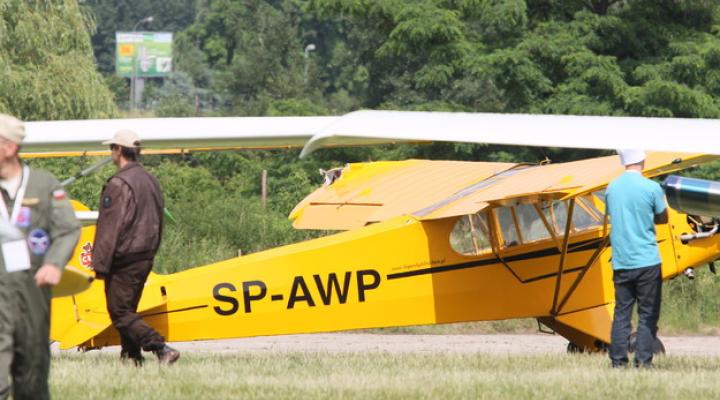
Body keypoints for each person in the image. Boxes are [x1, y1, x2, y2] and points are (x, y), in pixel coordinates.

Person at [0, 114, 81, 399]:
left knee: (32, 378)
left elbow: (68, 229)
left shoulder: (44, 186)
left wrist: (54, 263)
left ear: (9, 147)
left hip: (32, 293)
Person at [91, 129, 179, 366]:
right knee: (127, 309)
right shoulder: (150, 180)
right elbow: (159, 219)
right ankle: (131, 357)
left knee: (119, 311)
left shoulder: (119, 184)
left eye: (112, 148)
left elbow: (110, 228)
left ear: (119, 150)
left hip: (124, 257)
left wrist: (99, 265)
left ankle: (161, 348)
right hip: (145, 254)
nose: (110, 152)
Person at [606, 149, 668, 368]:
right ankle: (643, 361)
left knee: (622, 313)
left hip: (622, 260)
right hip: (647, 260)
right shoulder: (652, 187)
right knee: (648, 313)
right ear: (642, 159)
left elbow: (612, 213)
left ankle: (618, 362)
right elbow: (662, 217)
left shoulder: (611, 188)